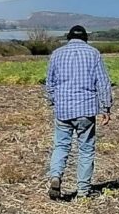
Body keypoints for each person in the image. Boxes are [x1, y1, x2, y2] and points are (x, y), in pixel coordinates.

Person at [44, 25, 113, 200]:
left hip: (63, 110)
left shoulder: (57, 54)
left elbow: (49, 83)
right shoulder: (93, 53)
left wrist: (54, 101)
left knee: (61, 146)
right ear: (85, 38)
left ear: (68, 37)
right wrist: (105, 108)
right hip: (86, 109)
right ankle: (83, 191)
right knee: (86, 149)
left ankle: (55, 177)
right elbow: (103, 83)